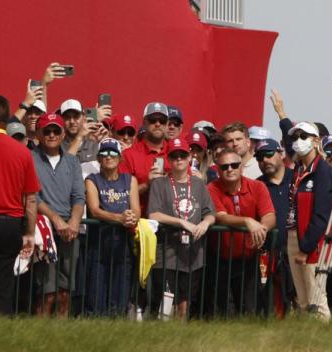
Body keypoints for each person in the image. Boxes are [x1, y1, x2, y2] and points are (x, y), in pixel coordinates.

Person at [0, 94, 40, 315]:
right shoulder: (23, 152)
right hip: (10, 225)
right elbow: (31, 198)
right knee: (4, 285)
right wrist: (30, 233)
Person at [147, 137, 215, 319]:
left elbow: (210, 213)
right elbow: (153, 214)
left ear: (189, 157)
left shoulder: (199, 184)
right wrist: (181, 222)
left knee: (185, 305)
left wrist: (205, 223)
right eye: (174, 156)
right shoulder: (159, 184)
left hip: (193, 255)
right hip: (167, 253)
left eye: (182, 155)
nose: (179, 159)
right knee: (167, 304)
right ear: (168, 159)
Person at [206, 149, 275, 316]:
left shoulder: (257, 186)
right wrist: (247, 221)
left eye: (234, 165)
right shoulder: (211, 188)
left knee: (251, 311)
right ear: (218, 169)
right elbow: (220, 217)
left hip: (249, 259)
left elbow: (270, 215)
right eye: (224, 166)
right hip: (219, 259)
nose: (230, 169)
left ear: (242, 167)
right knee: (221, 313)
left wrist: (261, 229)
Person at [31, 113, 85, 317]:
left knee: (65, 292)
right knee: (46, 291)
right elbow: (31, 196)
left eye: (56, 130)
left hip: (69, 231)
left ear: (63, 134)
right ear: (39, 133)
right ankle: (39, 338)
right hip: (44, 229)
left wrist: (74, 221)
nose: (52, 134)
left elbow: (79, 196)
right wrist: (56, 219)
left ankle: (61, 339)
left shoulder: (72, 161)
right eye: (47, 131)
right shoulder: (30, 158)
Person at [284, 121, 332, 318]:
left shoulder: (323, 170)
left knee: (316, 297)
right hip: (293, 234)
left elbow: (321, 214)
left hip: (311, 241)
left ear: (316, 141)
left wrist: (306, 248)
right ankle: (306, 341)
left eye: (303, 137)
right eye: (295, 137)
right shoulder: (297, 169)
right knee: (302, 299)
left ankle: (323, 340)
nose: (298, 141)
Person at [84, 138, 139, 316]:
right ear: (99, 158)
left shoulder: (129, 180)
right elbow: (94, 210)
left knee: (120, 300)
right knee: (96, 300)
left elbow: (136, 209)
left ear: (120, 157)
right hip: (99, 246)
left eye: (113, 152)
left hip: (123, 247)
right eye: (104, 153)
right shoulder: (92, 180)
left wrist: (132, 217)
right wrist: (119, 218)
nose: (109, 156)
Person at [257, 137, 294, 316]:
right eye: (260, 157)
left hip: (295, 251)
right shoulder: (257, 185)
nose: (264, 160)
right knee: (269, 303)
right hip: (267, 253)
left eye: (269, 154)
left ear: (281, 154)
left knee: (296, 299)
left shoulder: (297, 179)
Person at [120, 102, 170, 211]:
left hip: (171, 222)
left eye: (162, 120)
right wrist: (146, 185)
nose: (157, 124)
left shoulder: (177, 154)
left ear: (167, 124)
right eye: (152, 120)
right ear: (144, 122)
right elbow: (119, 197)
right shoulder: (128, 155)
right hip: (139, 222)